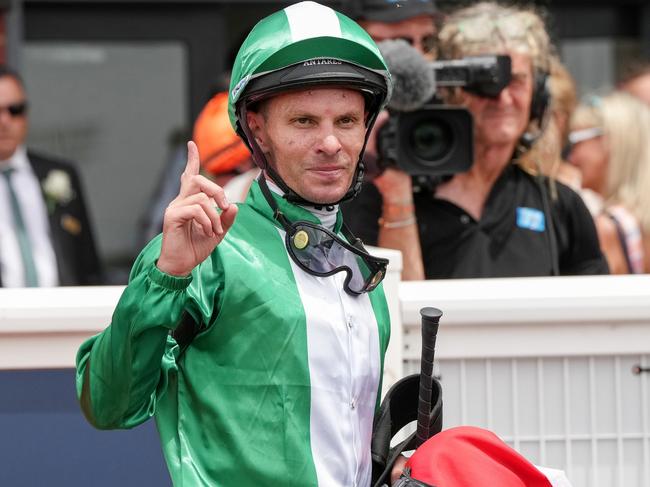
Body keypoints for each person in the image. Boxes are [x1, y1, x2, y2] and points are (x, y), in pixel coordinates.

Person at [75, 2, 393, 485]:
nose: (330, 143)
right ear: (258, 128)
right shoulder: (206, 247)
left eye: (346, 121)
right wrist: (167, 276)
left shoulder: (360, 263)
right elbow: (108, 405)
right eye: (304, 121)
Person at [345, 1, 609, 279]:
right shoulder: (383, 197)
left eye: (517, 81)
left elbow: (598, 314)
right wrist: (398, 200)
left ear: (538, 94)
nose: (503, 98)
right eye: (486, 84)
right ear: (452, 91)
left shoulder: (561, 206)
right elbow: (393, 311)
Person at [0, 65, 103, 287]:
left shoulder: (60, 173)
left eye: (14, 110)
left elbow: (87, 260)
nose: (5, 121)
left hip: (62, 313)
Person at [568, 91, 650, 274]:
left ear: (608, 141)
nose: (571, 158)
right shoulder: (638, 223)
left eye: (574, 142)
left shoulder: (606, 229)